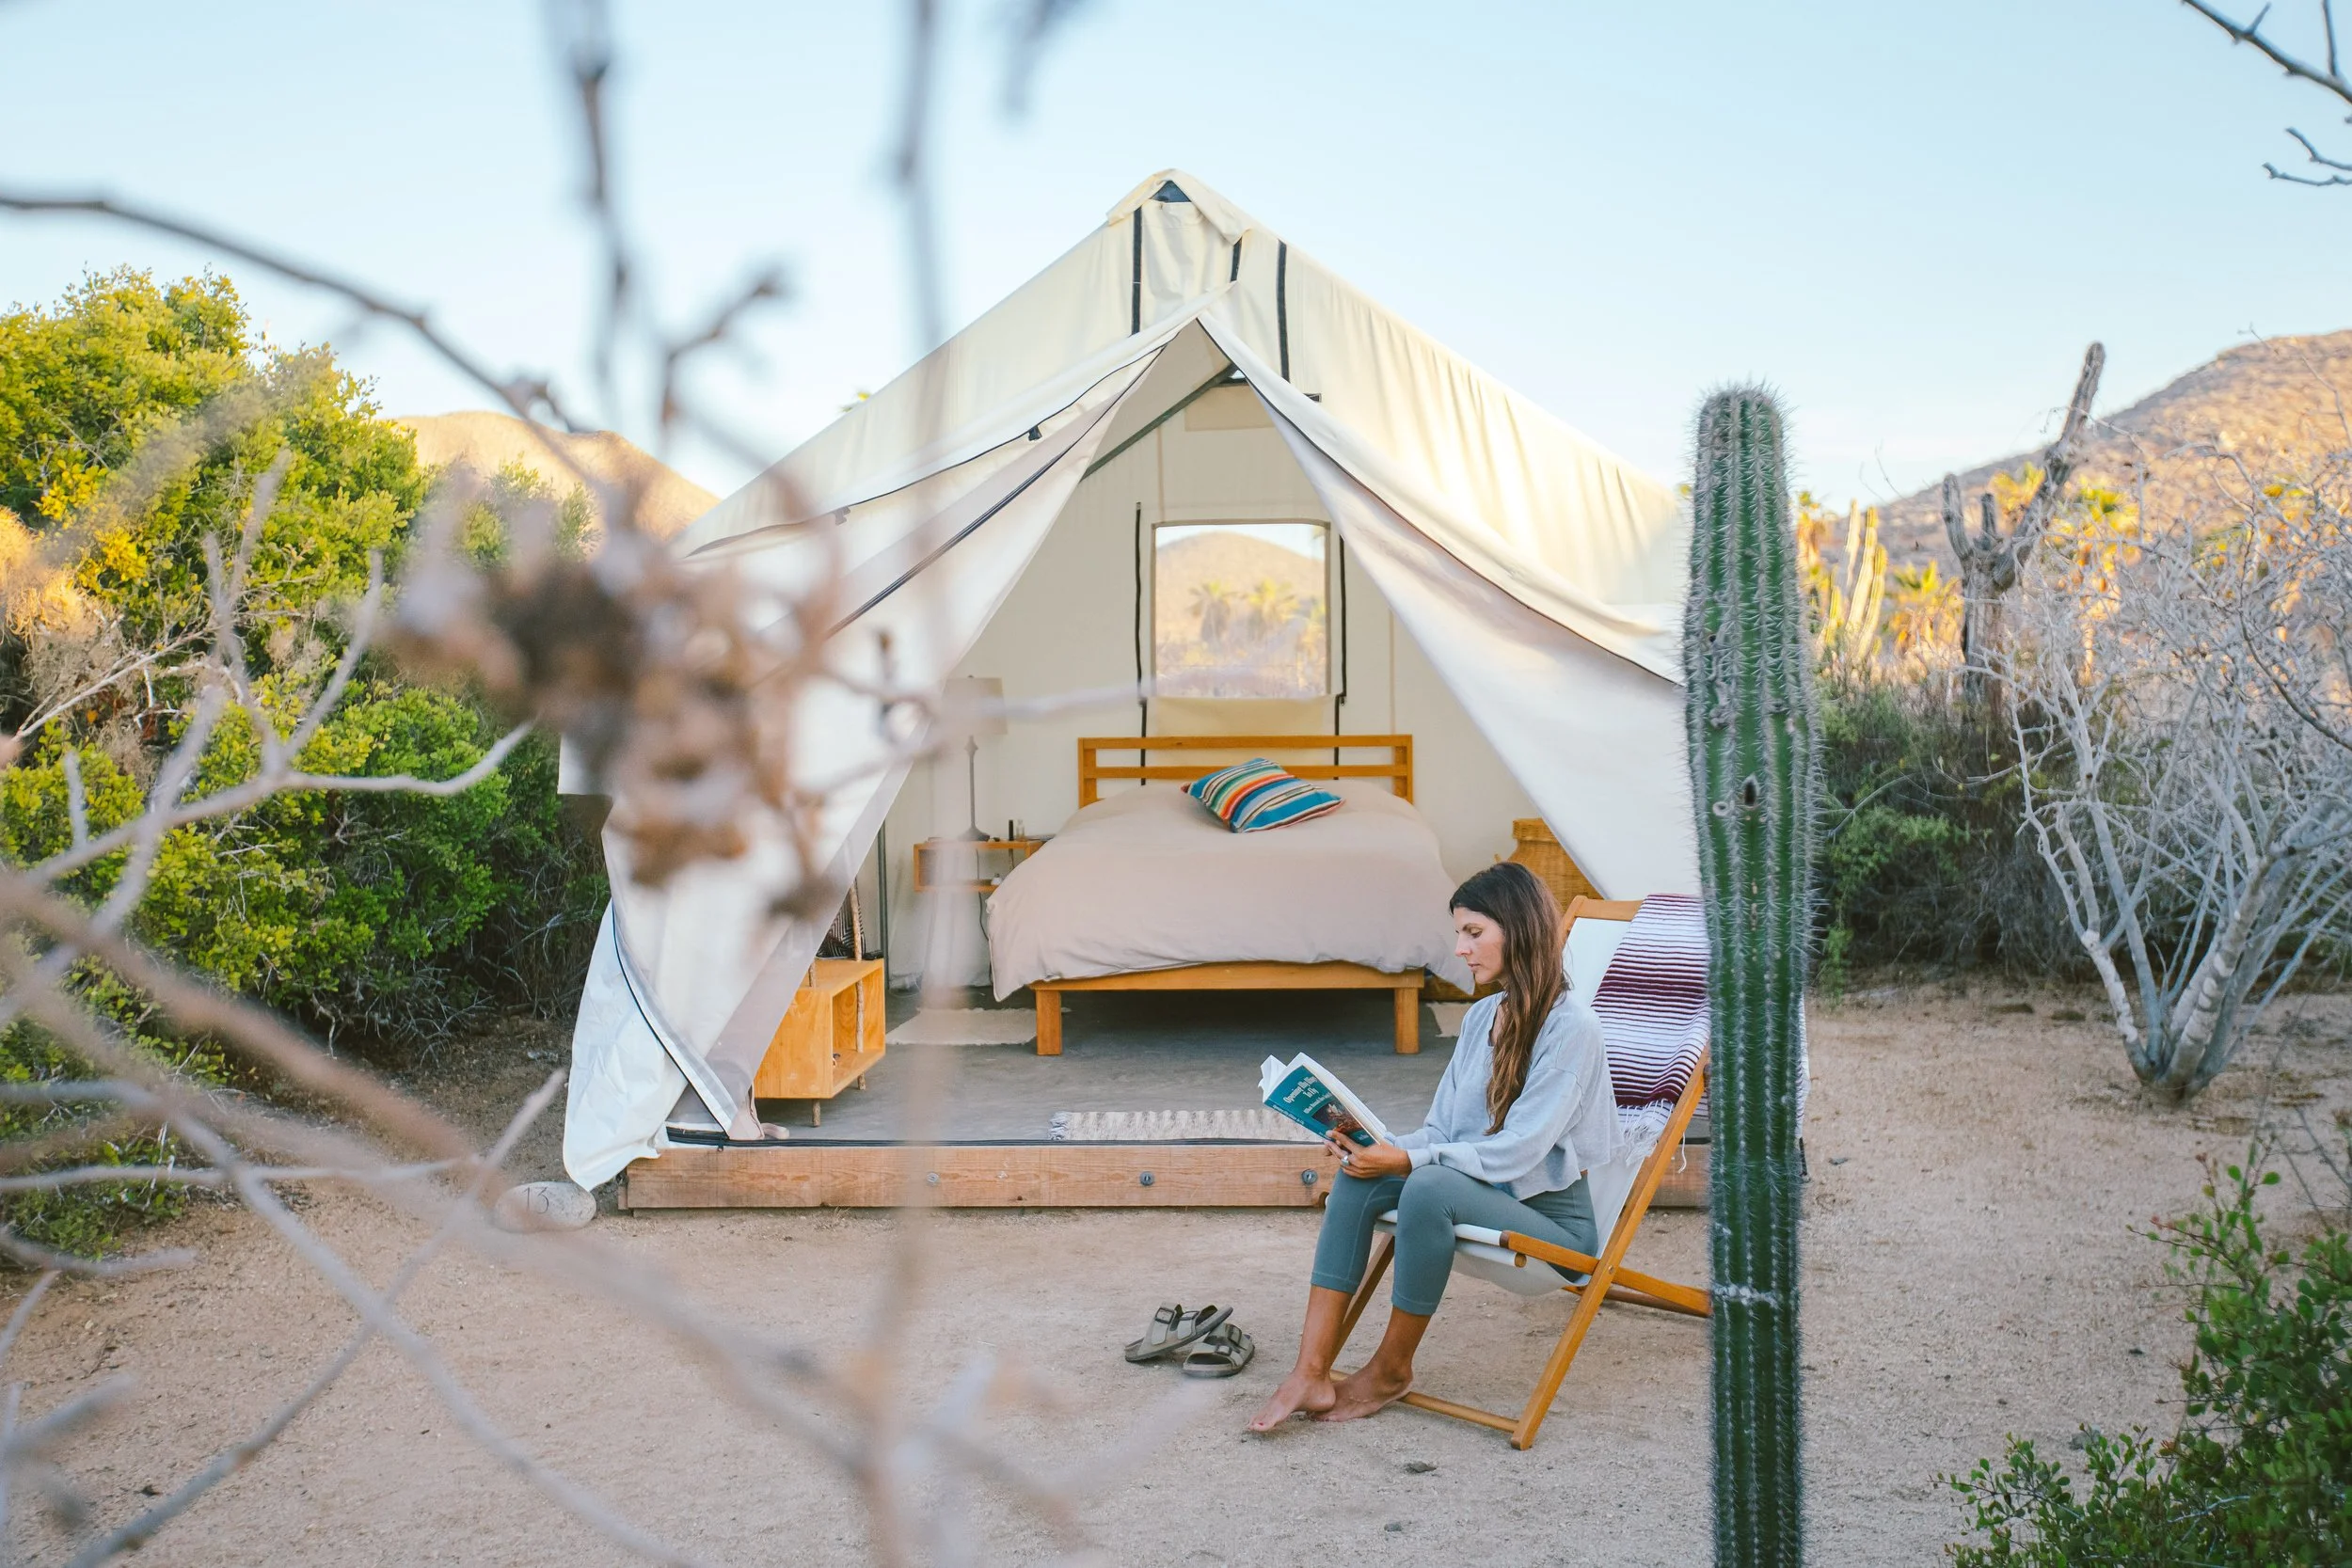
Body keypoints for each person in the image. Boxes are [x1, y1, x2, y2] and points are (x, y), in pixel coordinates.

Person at [1248, 862, 1620, 1429]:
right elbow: (1442, 1134)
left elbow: (1519, 1151)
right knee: (1359, 1175)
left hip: (1555, 1227)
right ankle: (1310, 1372)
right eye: (1459, 934)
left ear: (1519, 929)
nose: (1460, 949)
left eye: (1474, 933)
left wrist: (1411, 1159)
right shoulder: (1480, 1020)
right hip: (1476, 1190)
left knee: (1428, 1183)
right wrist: (1374, 1146)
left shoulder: (1572, 1031)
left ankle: (1392, 1370)